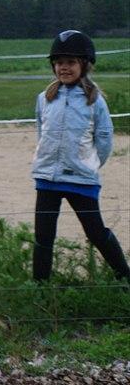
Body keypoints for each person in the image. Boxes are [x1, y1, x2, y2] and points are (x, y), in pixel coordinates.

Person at [31, 30, 130, 282]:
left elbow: (105, 139)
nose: (64, 68)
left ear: (83, 65)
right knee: (43, 236)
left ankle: (125, 277)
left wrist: (89, 164)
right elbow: (41, 130)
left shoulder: (94, 101)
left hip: (81, 180)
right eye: (59, 62)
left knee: (96, 232)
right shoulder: (44, 98)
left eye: (71, 62)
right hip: (47, 179)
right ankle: (39, 288)